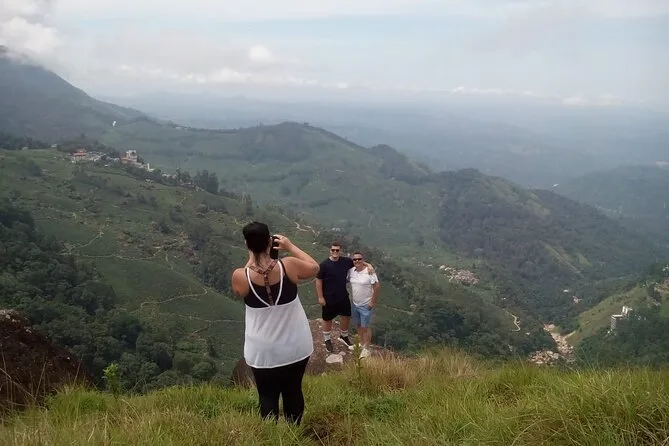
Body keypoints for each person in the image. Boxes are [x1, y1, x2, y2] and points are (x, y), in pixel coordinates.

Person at [231, 222, 319, 425]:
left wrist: (252, 256)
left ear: (247, 245)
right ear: (270, 242)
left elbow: (240, 291)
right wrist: (290, 246)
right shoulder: (289, 265)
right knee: (293, 391)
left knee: (267, 395)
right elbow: (314, 267)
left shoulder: (240, 276)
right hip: (295, 346)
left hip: (263, 351)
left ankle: (270, 436)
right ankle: (293, 433)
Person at [315, 241, 374, 353]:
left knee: (346, 315)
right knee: (327, 318)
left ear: (340, 251)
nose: (335, 252)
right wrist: (320, 297)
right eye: (333, 250)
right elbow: (318, 281)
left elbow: (358, 262)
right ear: (330, 251)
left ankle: (344, 336)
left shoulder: (346, 261)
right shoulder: (324, 265)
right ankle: (327, 340)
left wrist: (369, 265)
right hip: (328, 296)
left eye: (337, 250)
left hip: (342, 295)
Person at [347, 251, 380, 358]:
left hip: (366, 304)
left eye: (359, 259)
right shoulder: (351, 271)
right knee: (358, 325)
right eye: (355, 259)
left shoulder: (369, 272)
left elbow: (377, 287)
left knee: (365, 327)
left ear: (363, 260)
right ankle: (361, 343)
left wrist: (372, 302)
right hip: (355, 304)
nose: (357, 261)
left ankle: (366, 347)